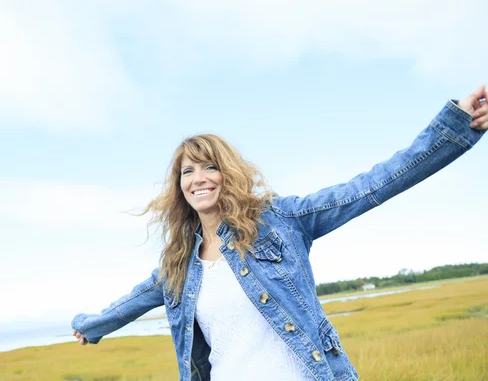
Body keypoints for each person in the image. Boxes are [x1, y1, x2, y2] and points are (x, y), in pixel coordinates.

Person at [71, 86, 487, 381]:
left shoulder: (279, 221)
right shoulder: (179, 265)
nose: (199, 178)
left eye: (209, 166)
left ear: (227, 172)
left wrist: (452, 127)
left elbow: (370, 187)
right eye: (187, 171)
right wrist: (90, 327)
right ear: (179, 185)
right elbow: (130, 303)